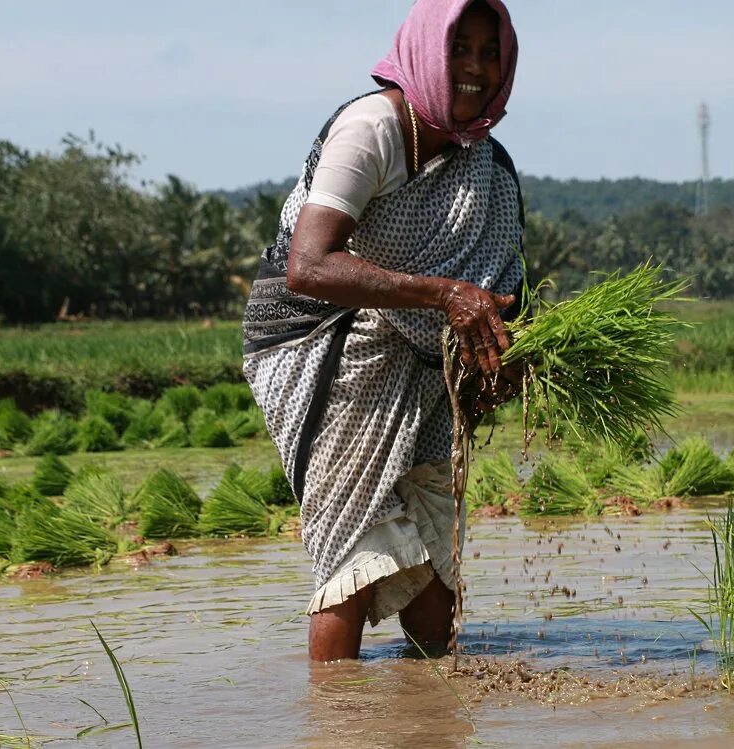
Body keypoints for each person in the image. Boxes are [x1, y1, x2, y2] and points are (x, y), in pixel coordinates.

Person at [241, 0, 524, 662]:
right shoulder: (371, 130)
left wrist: (504, 358)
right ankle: (339, 723)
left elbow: (503, 293)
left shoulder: (488, 163)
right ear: (427, 49)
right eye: (460, 48)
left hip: (425, 363)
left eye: (491, 52)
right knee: (354, 549)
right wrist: (445, 294)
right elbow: (309, 265)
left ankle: (427, 716)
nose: (476, 68)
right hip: (327, 346)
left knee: (435, 583)